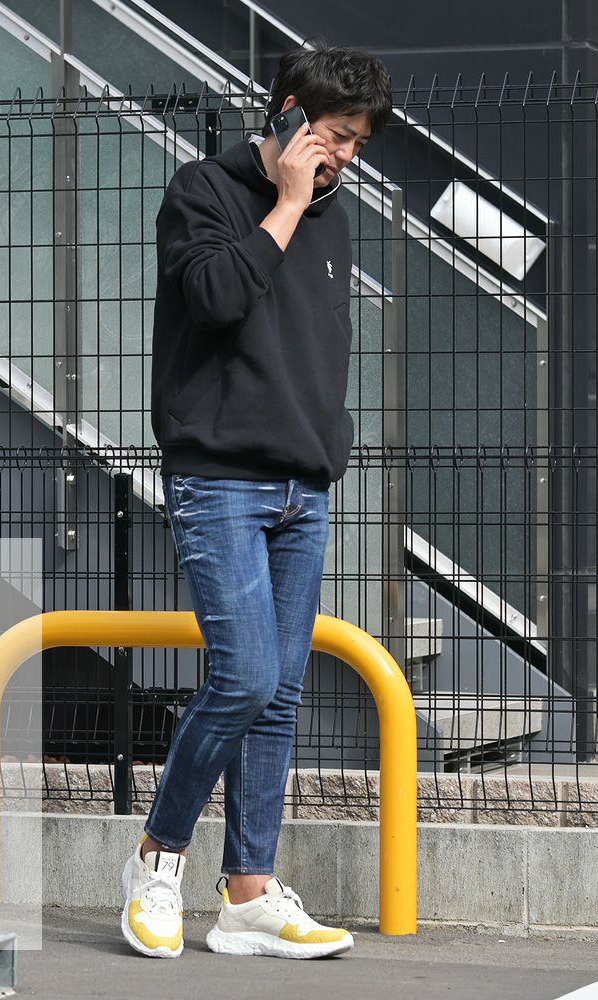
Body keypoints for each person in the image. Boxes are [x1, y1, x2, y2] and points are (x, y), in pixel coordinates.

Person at [121, 45, 393, 960]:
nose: (344, 156)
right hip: (219, 479)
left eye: (358, 144)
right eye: (335, 135)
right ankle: (158, 858)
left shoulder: (334, 220)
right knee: (242, 679)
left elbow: (317, 350)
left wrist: (326, 448)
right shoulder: (202, 190)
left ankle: (247, 895)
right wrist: (284, 202)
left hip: (302, 485)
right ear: (286, 113)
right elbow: (215, 298)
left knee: (277, 696)